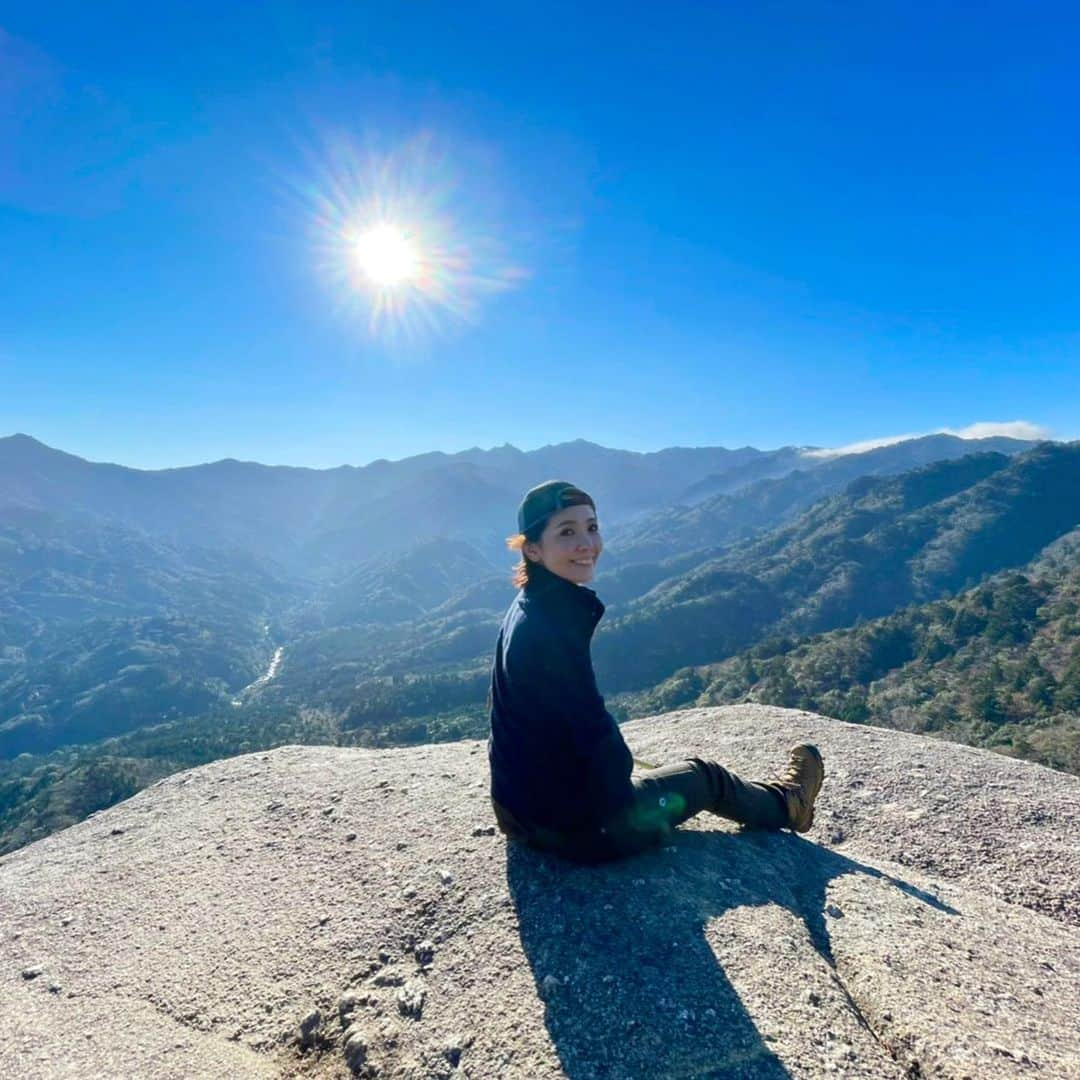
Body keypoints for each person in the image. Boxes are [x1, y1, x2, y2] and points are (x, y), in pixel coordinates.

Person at [487, 479, 825, 864]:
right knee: (703, 776)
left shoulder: (527, 608)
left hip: (519, 815)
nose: (587, 544)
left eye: (592, 527)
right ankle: (789, 804)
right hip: (585, 831)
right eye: (567, 532)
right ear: (532, 548)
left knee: (663, 775)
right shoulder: (553, 631)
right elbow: (593, 741)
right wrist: (623, 789)